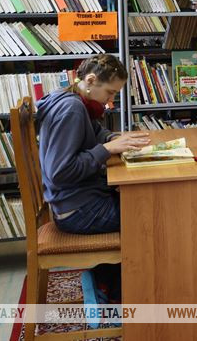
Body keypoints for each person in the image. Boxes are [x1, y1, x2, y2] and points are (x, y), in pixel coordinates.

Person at [37, 54, 149, 235]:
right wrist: (106, 149)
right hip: (78, 211)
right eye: (110, 92)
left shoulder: (75, 98)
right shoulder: (71, 109)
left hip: (81, 199)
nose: (111, 99)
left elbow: (95, 131)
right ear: (90, 80)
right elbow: (59, 172)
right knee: (153, 210)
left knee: (148, 199)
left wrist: (112, 139)